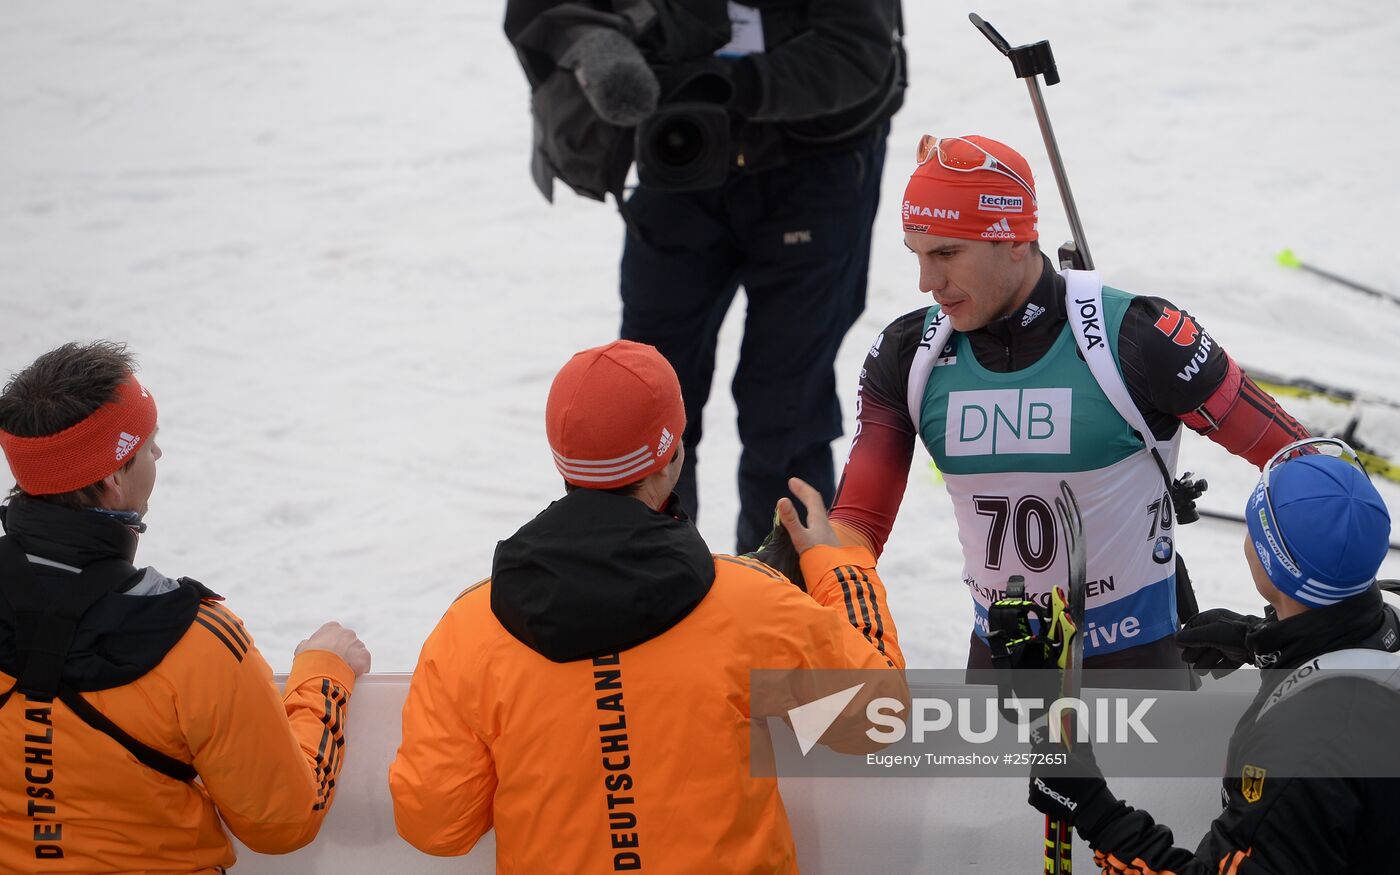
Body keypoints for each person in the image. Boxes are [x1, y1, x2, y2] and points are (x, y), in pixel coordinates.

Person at [389, 340, 903, 872]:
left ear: (562, 458)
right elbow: (878, 717)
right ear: (672, 455)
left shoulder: (471, 627)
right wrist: (837, 566)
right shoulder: (751, 605)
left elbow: (437, 825)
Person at [827, 134, 1311, 681]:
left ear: (1014, 239)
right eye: (917, 254)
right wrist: (783, 592)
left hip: (1136, 660)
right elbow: (857, 525)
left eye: (946, 254)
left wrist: (1295, 623)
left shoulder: (1137, 336)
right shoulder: (908, 353)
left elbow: (1308, 461)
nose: (927, 283)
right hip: (1005, 660)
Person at [505, 0, 907, 553]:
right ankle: (653, 580)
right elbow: (543, 11)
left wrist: (721, 83)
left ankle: (783, 590)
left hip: (815, 166)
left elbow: (856, 53)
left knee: (786, 403)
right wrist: (596, 46)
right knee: (648, 396)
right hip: (678, 151)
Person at [0, 341, 371, 871]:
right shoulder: (193, 640)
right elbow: (281, 822)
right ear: (111, 479)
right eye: (148, 445)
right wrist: (323, 676)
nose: (158, 456)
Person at [1027, 437, 1398, 873]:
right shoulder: (1389, 618)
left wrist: (1097, 812)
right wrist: (1267, 642)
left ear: (1269, 560)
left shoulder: (1301, 753)